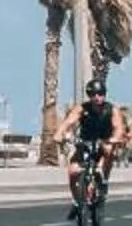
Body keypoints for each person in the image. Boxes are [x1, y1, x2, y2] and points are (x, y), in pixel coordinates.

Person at [51, 76, 124, 218]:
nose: (97, 97)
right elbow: (68, 122)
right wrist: (59, 134)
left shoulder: (111, 110)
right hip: (85, 143)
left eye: (100, 94)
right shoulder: (82, 109)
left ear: (104, 94)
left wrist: (114, 139)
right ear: (89, 95)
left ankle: (103, 183)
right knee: (72, 172)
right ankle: (77, 201)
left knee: (108, 152)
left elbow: (118, 128)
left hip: (104, 143)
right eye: (93, 94)